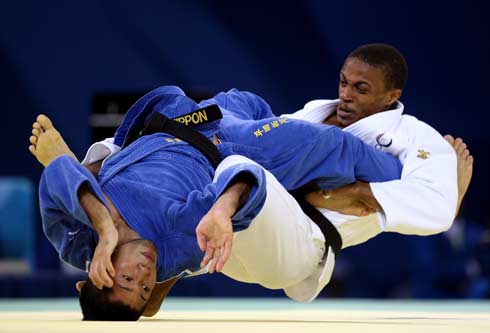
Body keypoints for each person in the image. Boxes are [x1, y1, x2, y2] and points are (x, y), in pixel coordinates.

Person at [29, 86, 402, 320]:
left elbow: (56, 177)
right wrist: (223, 211)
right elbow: (246, 179)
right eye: (143, 288)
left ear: (91, 279)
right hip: (225, 144)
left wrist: (105, 228)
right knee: (333, 145)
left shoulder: (77, 241)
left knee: (250, 102)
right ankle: (413, 177)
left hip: (176, 119)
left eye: (128, 278)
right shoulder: (176, 243)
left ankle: (307, 177)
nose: (143, 274)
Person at [289, 43, 473, 247]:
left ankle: (449, 197)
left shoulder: (414, 134)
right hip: (274, 199)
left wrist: (355, 191)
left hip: (308, 235)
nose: (345, 94)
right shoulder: (315, 109)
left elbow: (437, 206)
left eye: (361, 89)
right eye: (343, 82)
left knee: (427, 200)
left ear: (391, 96)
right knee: (249, 105)